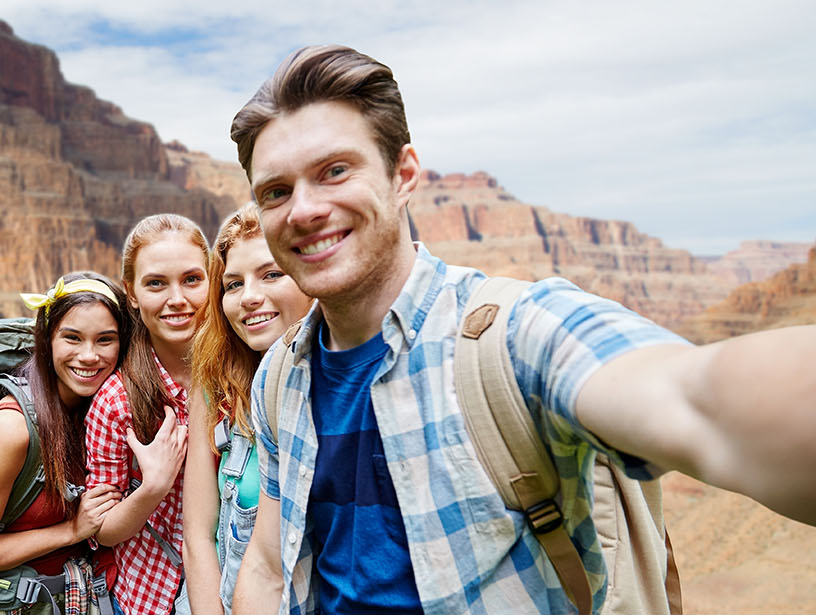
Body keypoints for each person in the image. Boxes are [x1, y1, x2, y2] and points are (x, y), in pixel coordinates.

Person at [227, 44, 816, 614]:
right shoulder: (281, 377)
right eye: (276, 191)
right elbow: (267, 564)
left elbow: (695, 396)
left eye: (334, 171)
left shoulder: (510, 336)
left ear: (403, 174)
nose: (303, 210)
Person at [0, 271, 134, 614]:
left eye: (105, 340)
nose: (89, 356)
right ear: (47, 340)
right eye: (72, 338)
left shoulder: (99, 411)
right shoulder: (12, 429)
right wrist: (72, 530)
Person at [181, 203, 312, 615]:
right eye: (233, 284)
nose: (249, 298)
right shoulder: (215, 388)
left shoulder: (347, 389)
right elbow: (198, 536)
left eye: (272, 274)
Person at [85, 213, 207, 615]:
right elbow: (102, 530)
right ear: (132, 293)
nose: (177, 299)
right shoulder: (117, 401)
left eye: (192, 279)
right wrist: (153, 487)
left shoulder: (243, 379)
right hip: (149, 597)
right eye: (156, 283)